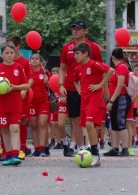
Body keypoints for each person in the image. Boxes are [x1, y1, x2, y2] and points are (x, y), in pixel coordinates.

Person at [58, 20, 104, 157]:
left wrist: (100, 87)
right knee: (75, 120)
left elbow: (102, 69)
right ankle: (81, 147)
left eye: (78, 28)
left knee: (89, 121)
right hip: (71, 88)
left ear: (85, 31)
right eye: (74, 28)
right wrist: (61, 85)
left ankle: (92, 146)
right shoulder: (67, 47)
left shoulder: (93, 47)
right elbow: (62, 69)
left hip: (89, 89)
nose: (75, 31)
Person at [72, 42, 113, 167]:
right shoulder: (78, 68)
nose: (75, 56)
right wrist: (79, 89)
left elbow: (110, 70)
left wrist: (100, 85)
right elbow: (75, 81)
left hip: (95, 99)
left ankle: (95, 154)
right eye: (74, 53)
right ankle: (95, 154)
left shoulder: (93, 64)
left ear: (85, 53)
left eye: (77, 53)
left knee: (90, 124)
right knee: (89, 128)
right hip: (84, 101)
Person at [0, 42, 30, 166]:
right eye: (6, 53)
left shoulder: (19, 68)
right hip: (2, 104)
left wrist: (14, 88)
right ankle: (8, 155)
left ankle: (15, 154)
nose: (9, 55)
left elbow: (26, 85)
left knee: (14, 127)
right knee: (4, 129)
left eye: (11, 53)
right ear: (1, 54)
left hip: (16, 104)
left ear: (15, 54)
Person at [28, 52, 50, 157]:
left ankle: (42, 147)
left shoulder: (45, 72)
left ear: (40, 61)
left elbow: (52, 87)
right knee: (34, 125)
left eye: (37, 58)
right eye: (32, 58)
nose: (34, 60)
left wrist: (47, 82)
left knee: (42, 123)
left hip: (43, 102)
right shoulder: (28, 73)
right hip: (31, 103)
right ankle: (36, 148)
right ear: (30, 61)